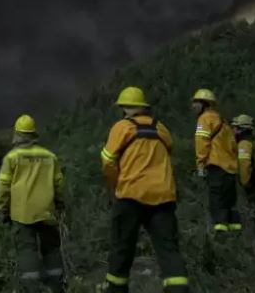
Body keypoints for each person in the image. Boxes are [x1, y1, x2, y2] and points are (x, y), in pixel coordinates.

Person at [99, 87, 190, 293]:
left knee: (121, 249)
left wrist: (115, 185)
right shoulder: (162, 129)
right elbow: (169, 154)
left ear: (125, 108)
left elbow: (107, 161)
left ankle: (115, 290)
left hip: (130, 196)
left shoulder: (122, 127)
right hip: (163, 197)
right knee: (169, 251)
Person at [0, 114, 66, 292]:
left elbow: (3, 187)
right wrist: (59, 204)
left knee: (27, 249)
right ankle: (57, 286)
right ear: (33, 134)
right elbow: (59, 183)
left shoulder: (11, 158)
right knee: (51, 248)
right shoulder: (49, 156)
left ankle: (32, 287)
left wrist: (3, 209)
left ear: (17, 134)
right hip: (47, 211)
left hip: (22, 213)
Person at [191, 89, 240, 233]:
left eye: (196, 102)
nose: (193, 106)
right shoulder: (223, 121)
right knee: (230, 205)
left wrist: (200, 164)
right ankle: (236, 237)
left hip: (216, 167)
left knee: (217, 204)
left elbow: (202, 142)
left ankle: (221, 239)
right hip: (230, 170)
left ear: (204, 104)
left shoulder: (204, 119)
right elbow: (233, 145)